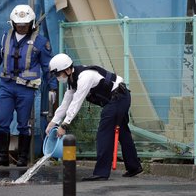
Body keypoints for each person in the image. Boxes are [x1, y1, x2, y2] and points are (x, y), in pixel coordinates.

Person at [0, 5, 57, 167]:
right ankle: (2, 156)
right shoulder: (5, 38)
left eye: (25, 24)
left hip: (26, 88)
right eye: (19, 24)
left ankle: (22, 157)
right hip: (7, 86)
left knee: (23, 123)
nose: (22, 27)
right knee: (2, 120)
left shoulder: (41, 42)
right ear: (13, 23)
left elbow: (48, 66)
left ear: (32, 24)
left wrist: (53, 87)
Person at [45, 53, 142, 181]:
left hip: (119, 97)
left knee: (104, 133)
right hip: (118, 99)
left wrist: (64, 125)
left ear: (68, 70)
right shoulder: (72, 80)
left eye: (58, 74)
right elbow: (65, 104)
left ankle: (101, 173)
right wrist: (53, 122)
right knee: (123, 132)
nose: (57, 77)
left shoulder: (85, 77)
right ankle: (134, 167)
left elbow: (76, 102)